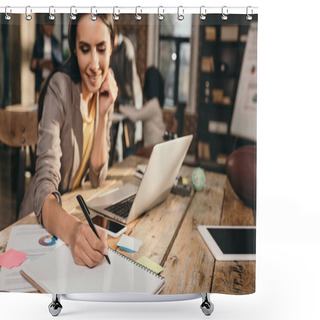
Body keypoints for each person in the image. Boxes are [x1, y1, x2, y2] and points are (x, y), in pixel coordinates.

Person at [19, 14, 118, 268]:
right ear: (74, 48)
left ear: (112, 45)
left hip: (71, 217)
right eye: (85, 49)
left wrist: (104, 112)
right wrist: (74, 233)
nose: (95, 64)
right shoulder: (59, 88)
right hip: (40, 223)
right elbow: (44, 186)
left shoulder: (101, 92)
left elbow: (97, 177)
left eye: (101, 49)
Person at [110, 30, 143, 158]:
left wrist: (134, 107)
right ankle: (118, 162)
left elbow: (131, 79)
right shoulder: (112, 50)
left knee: (129, 135)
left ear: (116, 38)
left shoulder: (127, 47)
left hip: (132, 96)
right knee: (115, 132)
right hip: (121, 97)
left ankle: (128, 160)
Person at [119, 66, 165, 148]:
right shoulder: (154, 102)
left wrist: (119, 107)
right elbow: (138, 111)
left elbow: (136, 116)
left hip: (153, 148)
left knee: (129, 151)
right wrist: (125, 107)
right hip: (154, 145)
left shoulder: (153, 104)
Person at [30, 14, 63, 102]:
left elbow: (60, 66)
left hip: (52, 83)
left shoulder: (56, 43)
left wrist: (53, 67)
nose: (50, 28)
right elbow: (32, 65)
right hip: (40, 82)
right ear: (43, 25)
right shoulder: (38, 41)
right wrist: (37, 63)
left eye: (52, 25)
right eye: (48, 25)